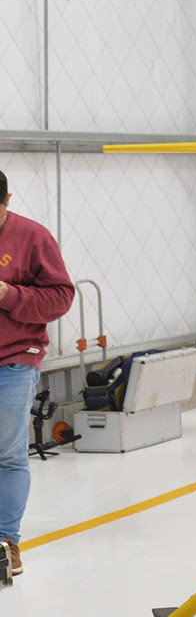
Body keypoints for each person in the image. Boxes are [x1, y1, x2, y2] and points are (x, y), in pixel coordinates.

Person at [0, 170, 75, 578]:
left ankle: (6, 542)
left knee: (8, 454)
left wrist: (9, 295)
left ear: (8, 200)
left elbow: (61, 295)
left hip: (14, 359)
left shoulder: (32, 237)